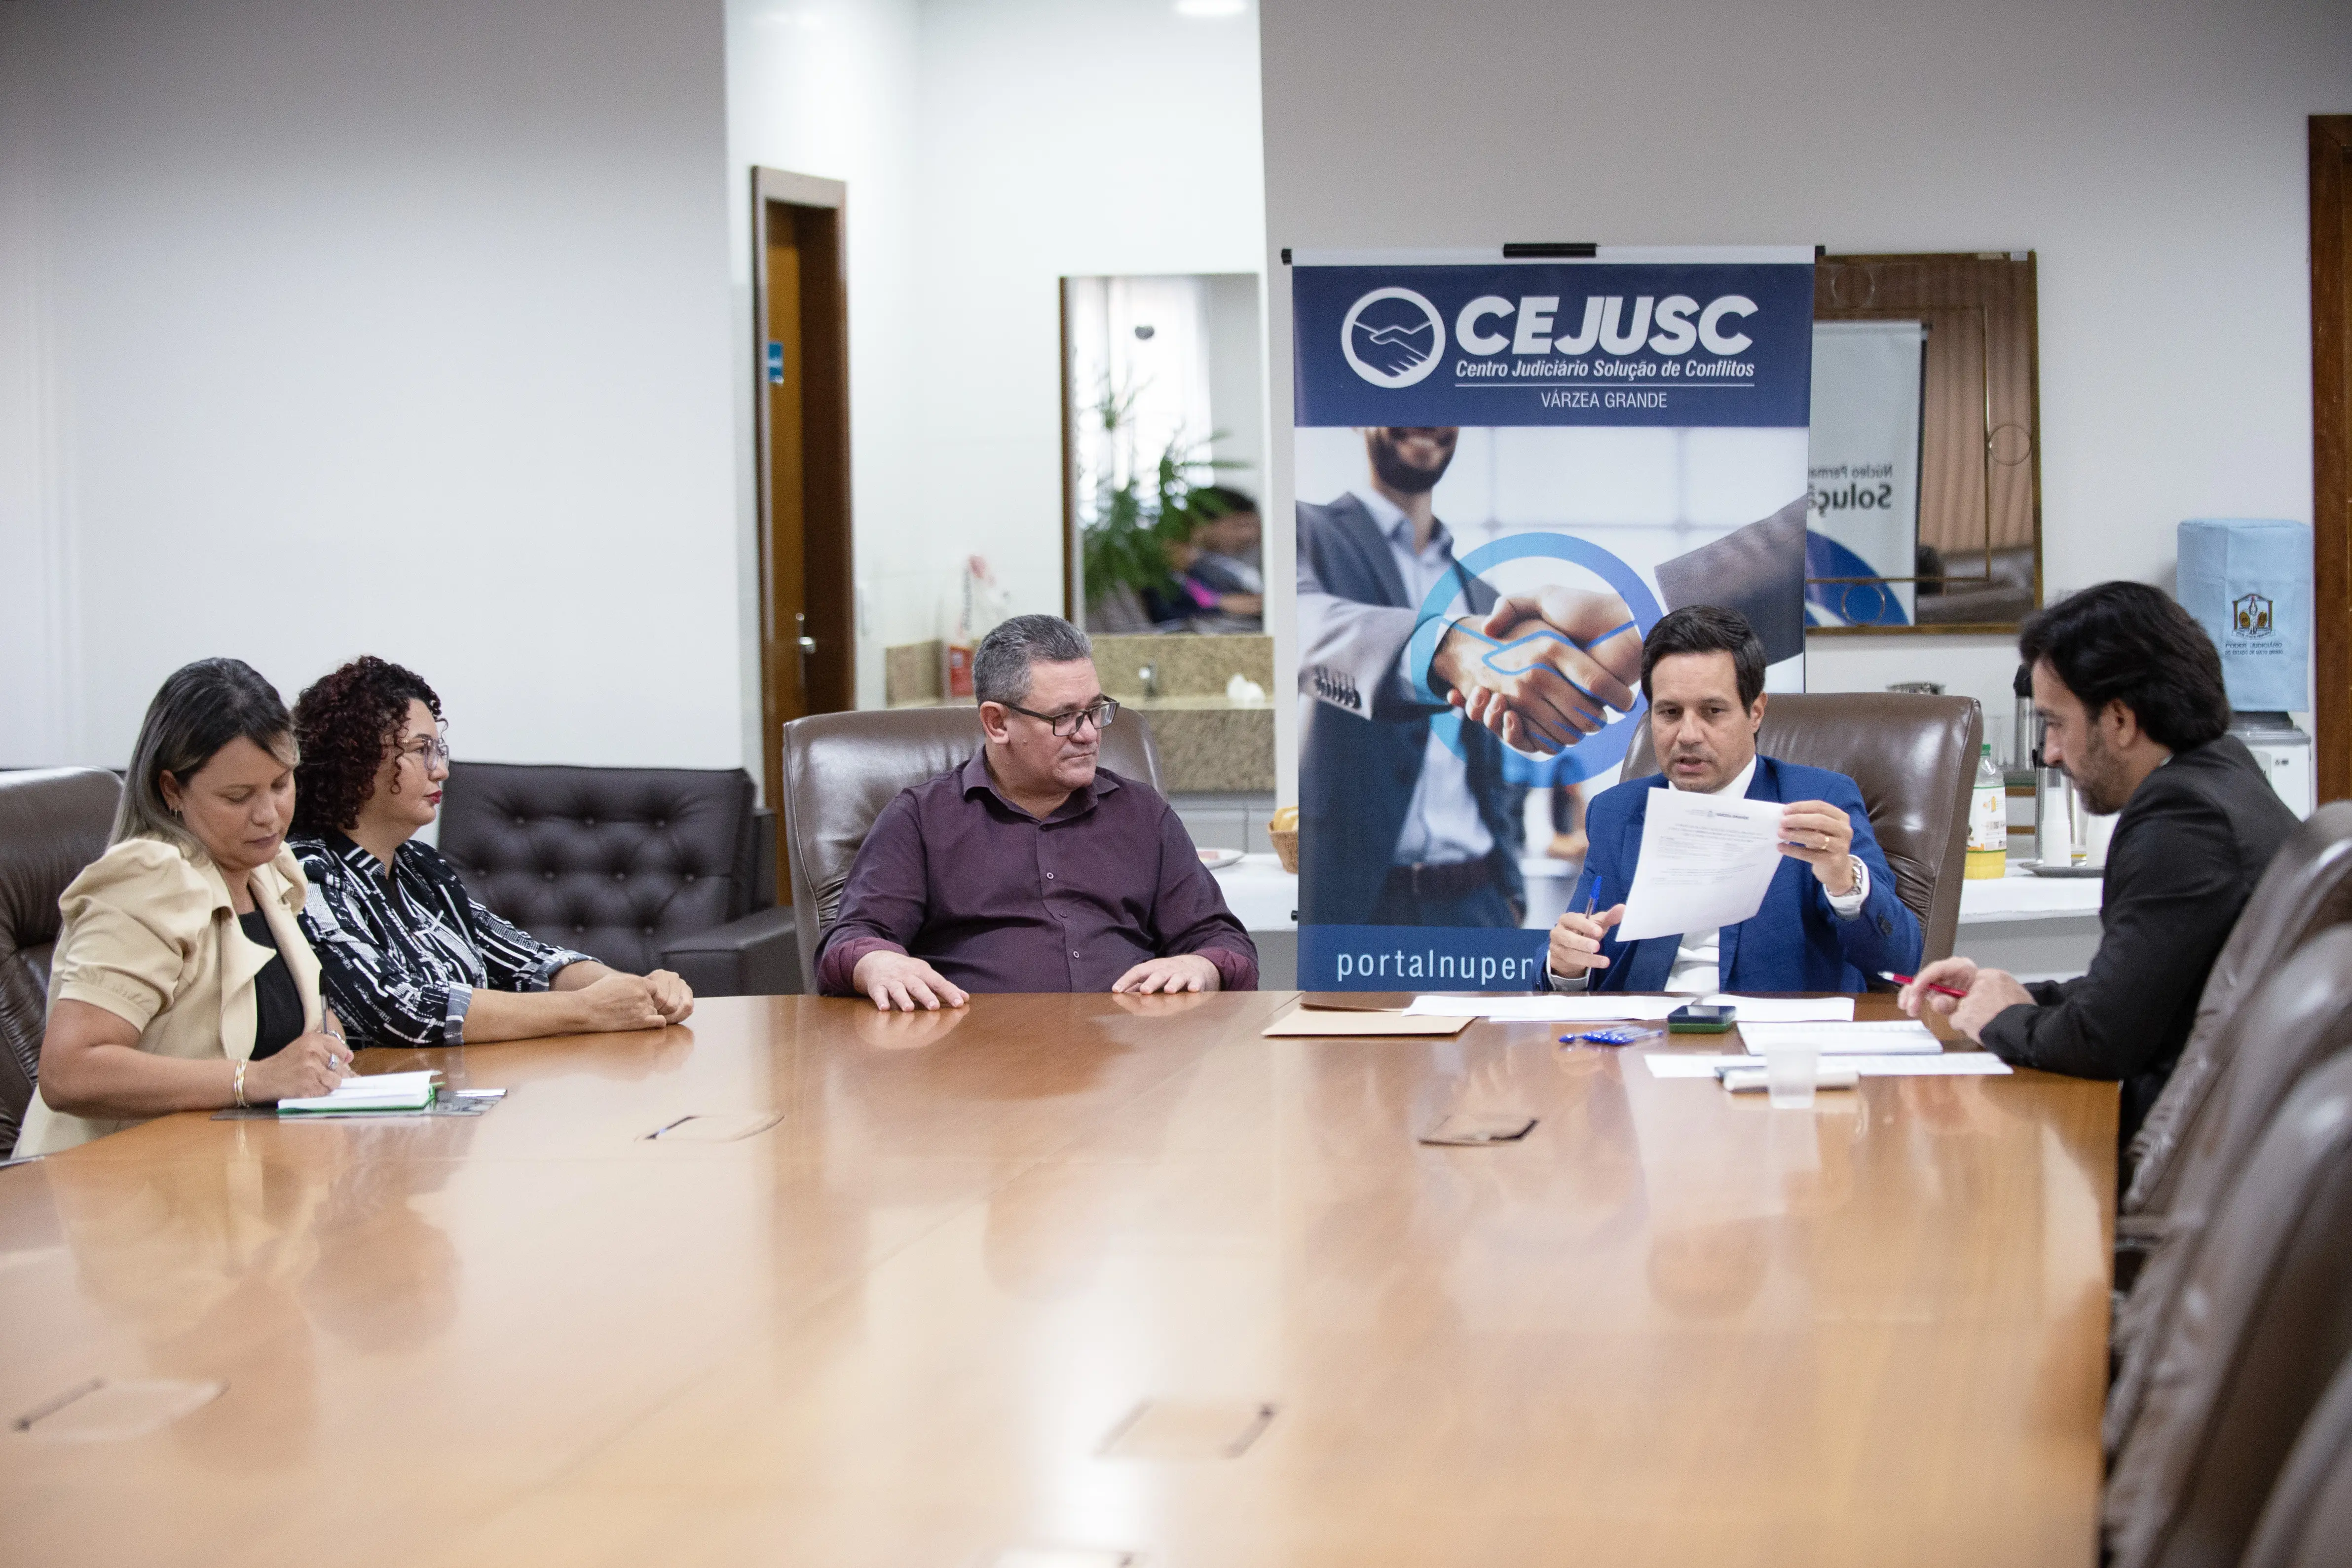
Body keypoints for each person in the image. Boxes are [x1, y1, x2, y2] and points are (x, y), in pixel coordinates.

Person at [1298, 424, 1809, 932]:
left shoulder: (1477, 590)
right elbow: (1303, 624)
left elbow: (1489, 762)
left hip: (1479, 907)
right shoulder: (1306, 529)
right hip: (1356, 906)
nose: (1426, 422)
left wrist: (1508, 891)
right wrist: (1448, 645)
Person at [1900, 582, 2297, 1150]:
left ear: (2119, 720)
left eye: (2056, 723)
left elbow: (2103, 1040)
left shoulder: (2183, 821)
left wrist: (1999, 1020)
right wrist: (2021, 997)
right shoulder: (2224, 773)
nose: (2049, 752)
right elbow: (2142, 988)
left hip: (2190, 1163)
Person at [816, 614, 1259, 1010]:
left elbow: (1224, 941)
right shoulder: (921, 818)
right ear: (997, 723)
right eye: (1064, 717)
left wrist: (1201, 966)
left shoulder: (1142, 814)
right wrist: (877, 964)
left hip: (1129, 1059)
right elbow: (851, 941)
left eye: (1094, 710)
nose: (1088, 734)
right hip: (973, 1062)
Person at [16, 659, 353, 1157]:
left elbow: (306, 1018)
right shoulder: (148, 878)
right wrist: (254, 1079)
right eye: (238, 796)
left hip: (234, 1178)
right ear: (171, 789)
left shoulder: (266, 869)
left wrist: (326, 1048)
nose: (269, 815)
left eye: (281, 785)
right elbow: (70, 1070)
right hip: (115, 1199)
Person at [287, 656, 694, 1047]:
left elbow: (531, 962)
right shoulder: (307, 872)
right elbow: (401, 1010)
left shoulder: (420, 868)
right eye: (419, 750)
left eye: (438, 749)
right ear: (355, 760)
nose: (440, 770)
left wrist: (639, 993)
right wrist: (585, 1009)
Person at [1544, 606, 1921, 993]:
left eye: (1712, 712)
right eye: (1670, 712)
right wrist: (1565, 965)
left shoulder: (1819, 801)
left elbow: (1900, 962)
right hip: (1637, 1037)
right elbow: (1576, 949)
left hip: (1769, 1040)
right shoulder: (1616, 812)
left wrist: (1844, 882)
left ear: (1754, 713)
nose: (1688, 734)